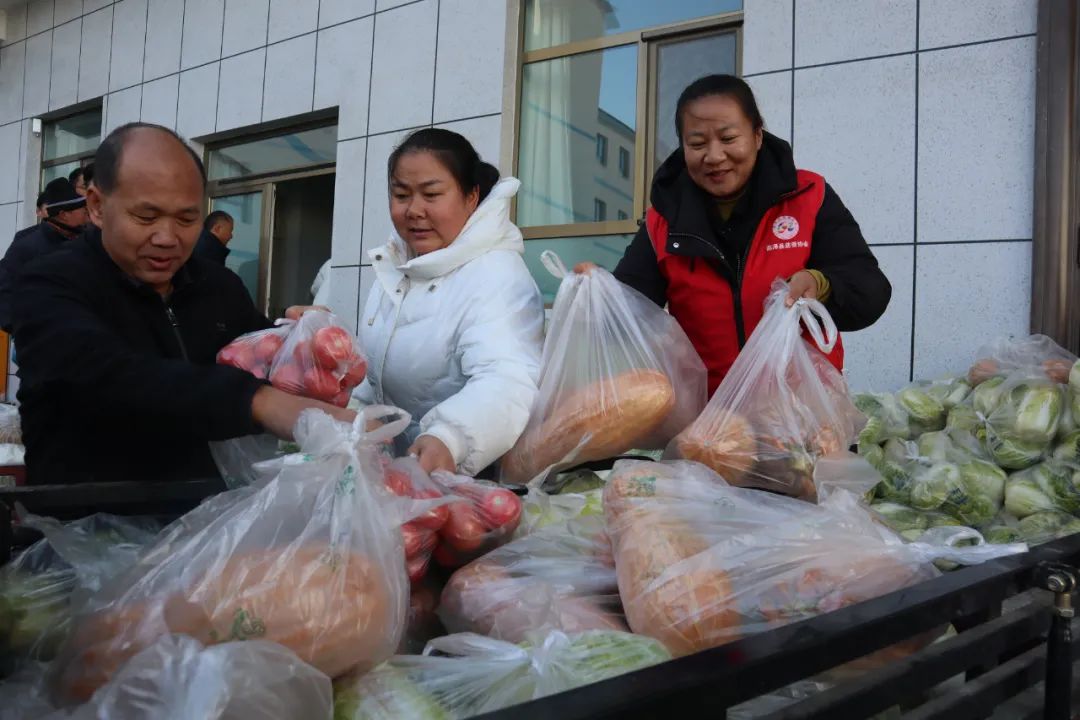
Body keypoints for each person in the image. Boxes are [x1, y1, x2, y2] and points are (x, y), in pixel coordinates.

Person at [11, 122, 353, 485]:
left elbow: (256, 358)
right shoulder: (47, 284)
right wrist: (258, 401)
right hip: (87, 511)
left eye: (186, 219)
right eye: (146, 217)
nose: (166, 238)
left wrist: (294, 343)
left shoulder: (218, 285)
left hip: (215, 510)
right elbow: (108, 376)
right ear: (97, 206)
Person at [582, 74, 891, 394]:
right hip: (712, 417)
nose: (714, 156)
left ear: (757, 135)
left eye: (728, 138)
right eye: (697, 144)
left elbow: (870, 291)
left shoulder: (808, 197)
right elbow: (624, 318)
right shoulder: (663, 221)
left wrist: (820, 283)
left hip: (803, 411)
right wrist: (595, 292)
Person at [354, 128, 544, 476]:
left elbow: (508, 378)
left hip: (471, 475)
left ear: (471, 197)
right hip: (399, 472)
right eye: (401, 195)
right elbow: (375, 377)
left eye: (431, 194)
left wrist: (450, 438)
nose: (414, 210)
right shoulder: (397, 267)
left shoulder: (496, 273)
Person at [0, 178, 90, 331]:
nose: (88, 217)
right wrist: (23, 330)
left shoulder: (85, 242)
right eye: (84, 212)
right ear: (64, 214)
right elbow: (5, 291)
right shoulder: (27, 246)